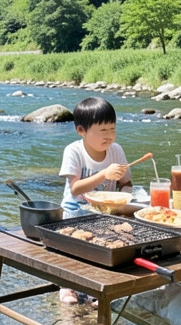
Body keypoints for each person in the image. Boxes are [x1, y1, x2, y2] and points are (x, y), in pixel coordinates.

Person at [57, 96, 132, 304]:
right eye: (103, 131)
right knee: (73, 251)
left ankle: (96, 290)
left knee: (103, 249)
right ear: (81, 130)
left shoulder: (116, 151)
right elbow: (75, 189)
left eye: (112, 129)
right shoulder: (74, 151)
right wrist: (104, 175)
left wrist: (124, 196)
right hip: (75, 210)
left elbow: (126, 183)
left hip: (104, 211)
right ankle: (67, 287)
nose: (109, 136)